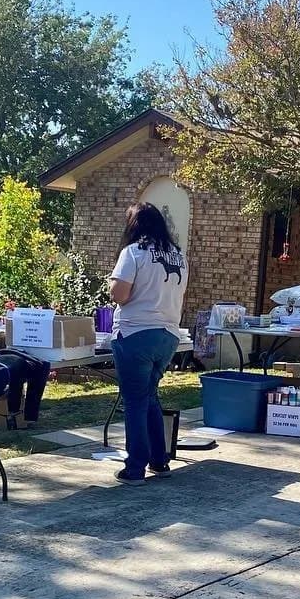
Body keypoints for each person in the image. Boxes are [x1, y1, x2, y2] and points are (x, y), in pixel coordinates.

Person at [108, 202, 188, 483]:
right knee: (149, 396)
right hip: (167, 335)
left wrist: (112, 285)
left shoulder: (133, 252)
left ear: (134, 226)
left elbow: (119, 295)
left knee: (134, 402)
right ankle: (159, 459)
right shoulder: (178, 255)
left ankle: (135, 467)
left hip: (135, 333)